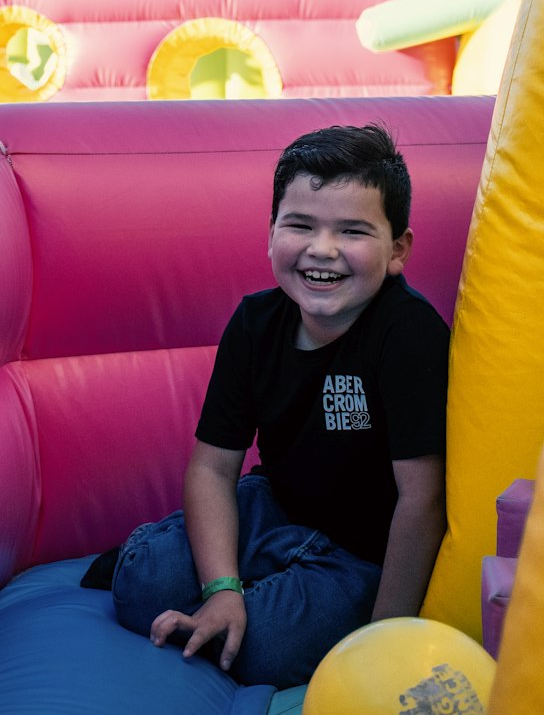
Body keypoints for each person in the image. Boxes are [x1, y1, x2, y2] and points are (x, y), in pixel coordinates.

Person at [99, 123, 449, 690]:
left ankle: (249, 596)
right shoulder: (256, 322)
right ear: (271, 234)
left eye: (353, 231)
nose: (322, 249)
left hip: (357, 554)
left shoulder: (408, 335)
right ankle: (226, 581)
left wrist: (384, 642)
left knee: (264, 647)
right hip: (273, 511)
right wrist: (221, 590)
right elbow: (213, 467)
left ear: (397, 251)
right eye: (301, 225)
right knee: (140, 581)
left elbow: (421, 498)